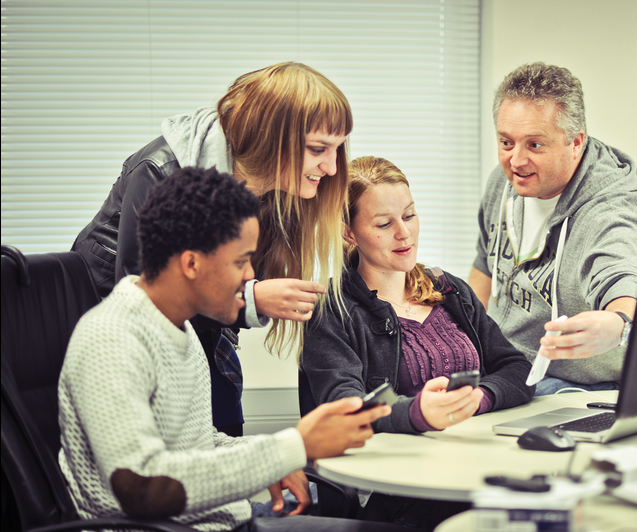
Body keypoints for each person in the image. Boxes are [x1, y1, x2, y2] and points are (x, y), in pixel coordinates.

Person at [58, 166, 405, 532]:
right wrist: (292, 447)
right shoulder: (112, 338)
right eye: (241, 261)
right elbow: (141, 490)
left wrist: (277, 457)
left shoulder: (177, 328)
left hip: (226, 521)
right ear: (191, 263)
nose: (250, 276)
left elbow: (198, 446)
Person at [71, 62, 352, 436]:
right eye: (318, 149)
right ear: (272, 138)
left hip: (201, 341)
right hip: (127, 353)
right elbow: (144, 303)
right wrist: (249, 298)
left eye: (337, 149)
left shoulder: (277, 192)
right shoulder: (160, 171)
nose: (332, 167)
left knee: (224, 440)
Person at [302, 156, 534, 529]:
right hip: (401, 488)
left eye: (409, 216)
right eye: (383, 223)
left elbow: (518, 368)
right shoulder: (334, 311)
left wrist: (480, 397)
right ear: (349, 232)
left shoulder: (450, 290)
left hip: (476, 464)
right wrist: (419, 414)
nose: (404, 234)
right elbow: (344, 410)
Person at [468, 62, 637, 396]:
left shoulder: (610, 210)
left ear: (576, 142)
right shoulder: (504, 182)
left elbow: (624, 278)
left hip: (577, 386)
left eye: (535, 145)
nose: (516, 161)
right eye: (506, 142)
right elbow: (484, 266)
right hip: (506, 368)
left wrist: (618, 324)